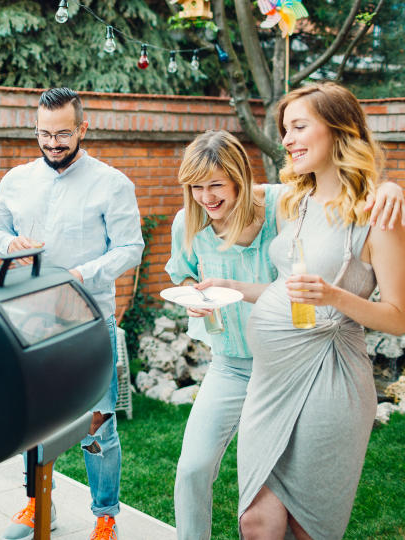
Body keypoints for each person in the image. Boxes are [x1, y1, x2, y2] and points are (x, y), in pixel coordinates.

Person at [166, 130, 404, 540]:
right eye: (196, 187)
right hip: (230, 366)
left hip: (292, 368)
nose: (206, 197)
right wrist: (193, 292)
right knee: (191, 467)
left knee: (291, 501)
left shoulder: (281, 203)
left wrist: (389, 186)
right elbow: (183, 270)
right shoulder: (188, 222)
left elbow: (335, 192)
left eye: (216, 185)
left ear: (240, 177)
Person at [236, 82, 405, 539]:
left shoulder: (377, 213)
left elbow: (398, 315)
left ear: (337, 129)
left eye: (299, 127)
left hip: (331, 380)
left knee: (305, 523)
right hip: (270, 383)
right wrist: (227, 286)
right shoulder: (295, 201)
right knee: (256, 518)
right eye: (284, 129)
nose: (286, 139)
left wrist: (334, 297)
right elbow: (219, 190)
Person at [0, 87, 144, 540]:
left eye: (62, 134)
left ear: (82, 128)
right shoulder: (15, 180)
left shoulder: (112, 183)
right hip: (32, 318)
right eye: (44, 134)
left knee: (98, 425)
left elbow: (131, 248)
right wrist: (7, 244)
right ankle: (39, 505)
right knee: (31, 420)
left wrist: (84, 272)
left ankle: (105, 515)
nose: (53, 143)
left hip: (90, 320)